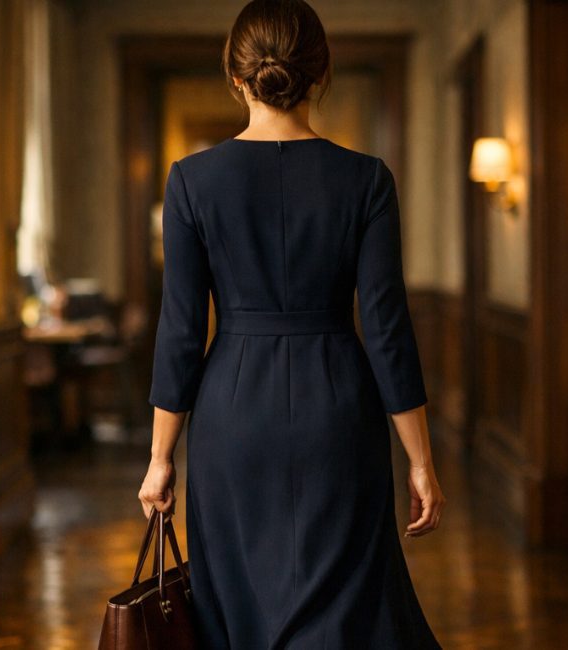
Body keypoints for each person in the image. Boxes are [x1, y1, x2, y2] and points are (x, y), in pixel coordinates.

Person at [139, 1, 444, 647]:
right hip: (338, 407)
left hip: (232, 416)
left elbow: (181, 330)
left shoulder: (191, 182)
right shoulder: (367, 180)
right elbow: (387, 327)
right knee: (348, 608)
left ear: (235, 75)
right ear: (321, 72)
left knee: (238, 611)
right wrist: (421, 459)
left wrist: (160, 457)